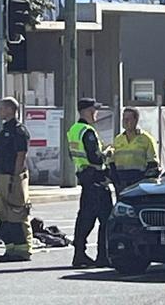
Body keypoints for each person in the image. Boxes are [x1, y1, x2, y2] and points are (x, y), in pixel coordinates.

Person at [68, 98, 114, 268]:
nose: (96, 113)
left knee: (85, 218)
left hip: (85, 178)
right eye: (94, 110)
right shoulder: (88, 132)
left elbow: (72, 155)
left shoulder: (73, 130)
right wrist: (107, 153)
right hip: (97, 180)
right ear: (87, 111)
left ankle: (79, 253)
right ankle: (104, 255)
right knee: (106, 219)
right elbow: (95, 157)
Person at [0, 97, 33, 262]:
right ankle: (10, 249)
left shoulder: (19, 130)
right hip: (4, 176)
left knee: (16, 212)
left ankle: (22, 250)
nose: (0, 111)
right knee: (3, 213)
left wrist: (15, 178)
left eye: (2, 108)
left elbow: (20, 155)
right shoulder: (3, 131)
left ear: (11, 109)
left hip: (14, 176)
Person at [110, 107, 160, 193]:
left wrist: (145, 181)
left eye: (128, 119)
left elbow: (153, 163)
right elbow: (112, 161)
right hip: (121, 181)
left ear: (135, 121)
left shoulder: (146, 139)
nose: (125, 122)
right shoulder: (118, 139)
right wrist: (115, 180)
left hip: (138, 180)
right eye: (124, 119)